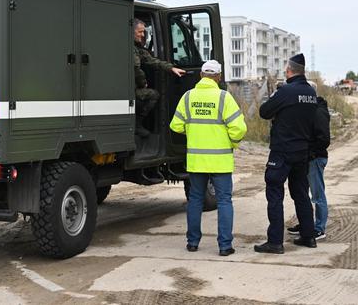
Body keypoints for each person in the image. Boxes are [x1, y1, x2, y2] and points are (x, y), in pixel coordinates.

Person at [170, 60, 247, 256]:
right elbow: (239, 129)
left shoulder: (188, 97)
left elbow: (175, 126)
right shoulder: (224, 98)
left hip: (196, 161)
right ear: (219, 77)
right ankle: (224, 246)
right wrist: (232, 143)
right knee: (224, 201)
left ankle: (193, 243)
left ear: (201, 76)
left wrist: (193, 132)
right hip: (220, 162)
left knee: (195, 200)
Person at [254, 53, 318, 254]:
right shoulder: (311, 93)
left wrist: (275, 95)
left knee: (274, 193)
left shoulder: (286, 91)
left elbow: (264, 112)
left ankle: (275, 242)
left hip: (282, 151)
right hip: (302, 151)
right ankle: (308, 236)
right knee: (301, 193)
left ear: (289, 70)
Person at [288, 94, 330, 239]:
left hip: (315, 158)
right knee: (303, 194)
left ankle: (319, 228)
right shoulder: (311, 109)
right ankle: (306, 224)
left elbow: (324, 139)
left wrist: (311, 152)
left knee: (317, 194)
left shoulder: (318, 112)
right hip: (307, 158)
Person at [134, 18, 185, 137]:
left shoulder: (137, 48)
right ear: (132, 31)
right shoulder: (131, 48)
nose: (142, 35)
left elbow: (151, 60)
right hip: (129, 91)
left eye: (143, 33)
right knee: (154, 95)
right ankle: (137, 125)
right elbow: (136, 68)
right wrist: (142, 83)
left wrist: (171, 68)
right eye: (140, 32)